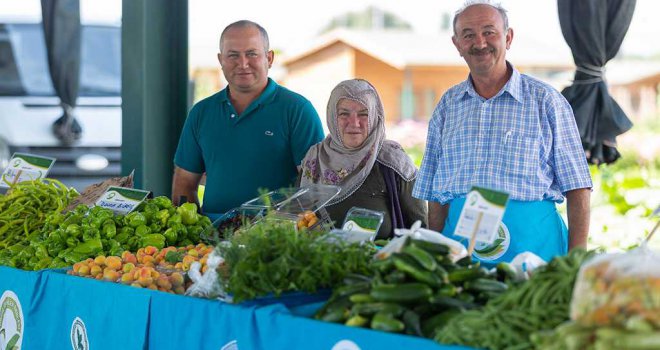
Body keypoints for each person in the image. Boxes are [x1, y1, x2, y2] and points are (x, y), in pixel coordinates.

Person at [413, 0, 592, 264]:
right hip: (461, 255)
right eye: (469, 35)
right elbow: (436, 193)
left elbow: (578, 188)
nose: (480, 43)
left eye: (489, 32)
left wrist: (576, 260)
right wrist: (432, 259)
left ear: (508, 38)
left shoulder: (546, 102)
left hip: (535, 253)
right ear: (457, 44)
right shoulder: (447, 106)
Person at [172, 20, 324, 218]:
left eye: (252, 54)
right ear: (221, 60)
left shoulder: (297, 110)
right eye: (233, 55)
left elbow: (313, 188)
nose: (243, 64)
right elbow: (184, 182)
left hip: (273, 237)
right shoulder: (201, 113)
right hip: (210, 237)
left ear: (269, 58)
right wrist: (193, 232)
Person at [300, 79, 427, 239]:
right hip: (319, 262)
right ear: (332, 116)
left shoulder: (393, 163)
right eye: (344, 114)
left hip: (380, 261)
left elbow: (421, 229)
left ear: (375, 116)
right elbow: (299, 215)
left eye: (364, 114)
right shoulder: (314, 159)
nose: (354, 123)